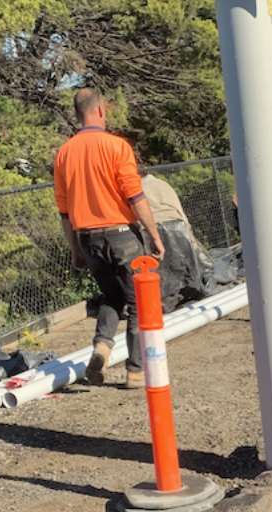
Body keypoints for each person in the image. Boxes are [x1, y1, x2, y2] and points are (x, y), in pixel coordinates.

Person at [54, 87, 165, 388]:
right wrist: (154, 234)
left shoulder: (64, 153)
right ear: (101, 110)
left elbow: (64, 211)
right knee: (137, 303)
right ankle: (135, 371)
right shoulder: (117, 146)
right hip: (122, 235)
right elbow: (135, 195)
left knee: (111, 297)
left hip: (88, 238)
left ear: (77, 115)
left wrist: (75, 250)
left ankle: (102, 346)